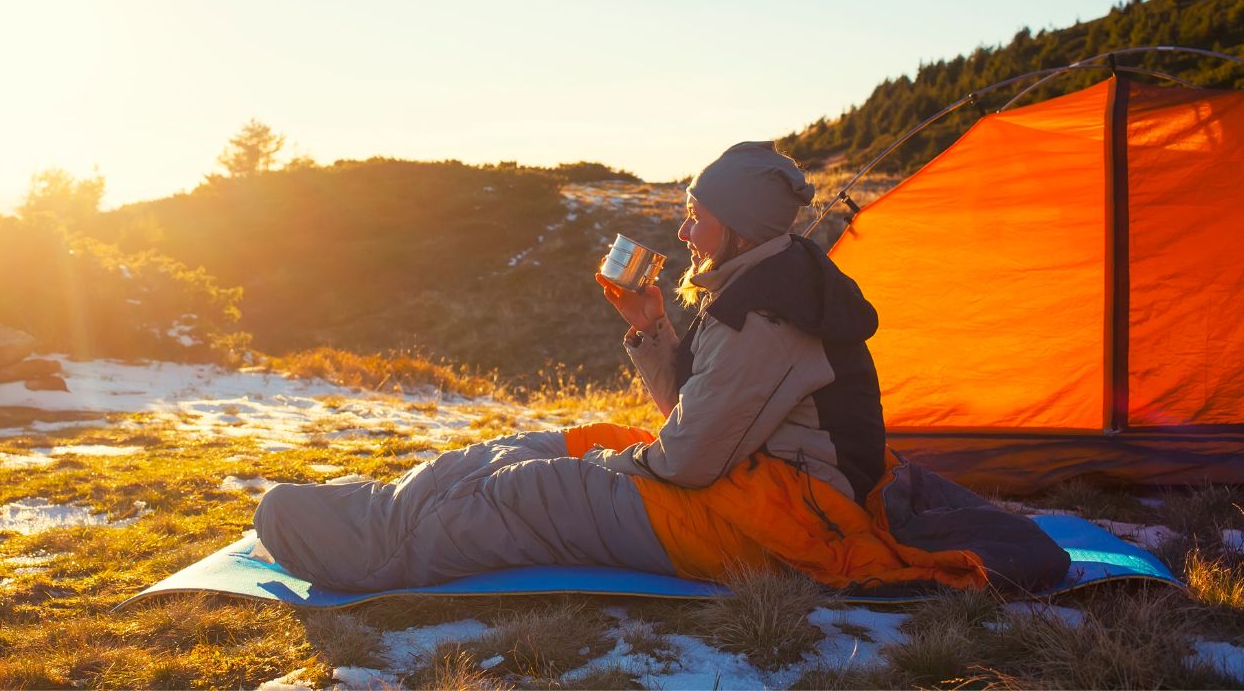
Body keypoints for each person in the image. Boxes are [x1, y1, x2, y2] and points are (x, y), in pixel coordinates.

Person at [252, 142, 1067, 595]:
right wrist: (653, 330)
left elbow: (687, 457)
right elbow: (703, 414)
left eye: (695, 214)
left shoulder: (767, 313)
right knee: (542, 444)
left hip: (783, 516)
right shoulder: (758, 281)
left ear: (738, 226)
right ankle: (383, 508)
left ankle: (375, 556)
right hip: (753, 479)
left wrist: (621, 462)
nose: (682, 229)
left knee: (528, 491)